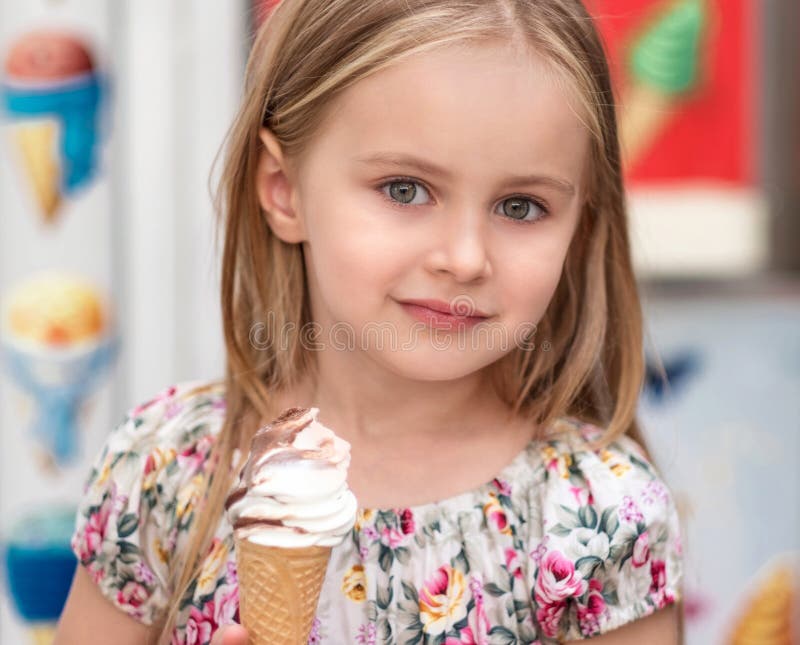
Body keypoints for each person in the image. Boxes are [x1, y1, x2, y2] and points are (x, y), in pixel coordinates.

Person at [54, 0, 685, 643]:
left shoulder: (601, 516)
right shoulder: (165, 470)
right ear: (283, 190)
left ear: (577, 226)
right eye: (405, 189)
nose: (464, 259)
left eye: (521, 206)